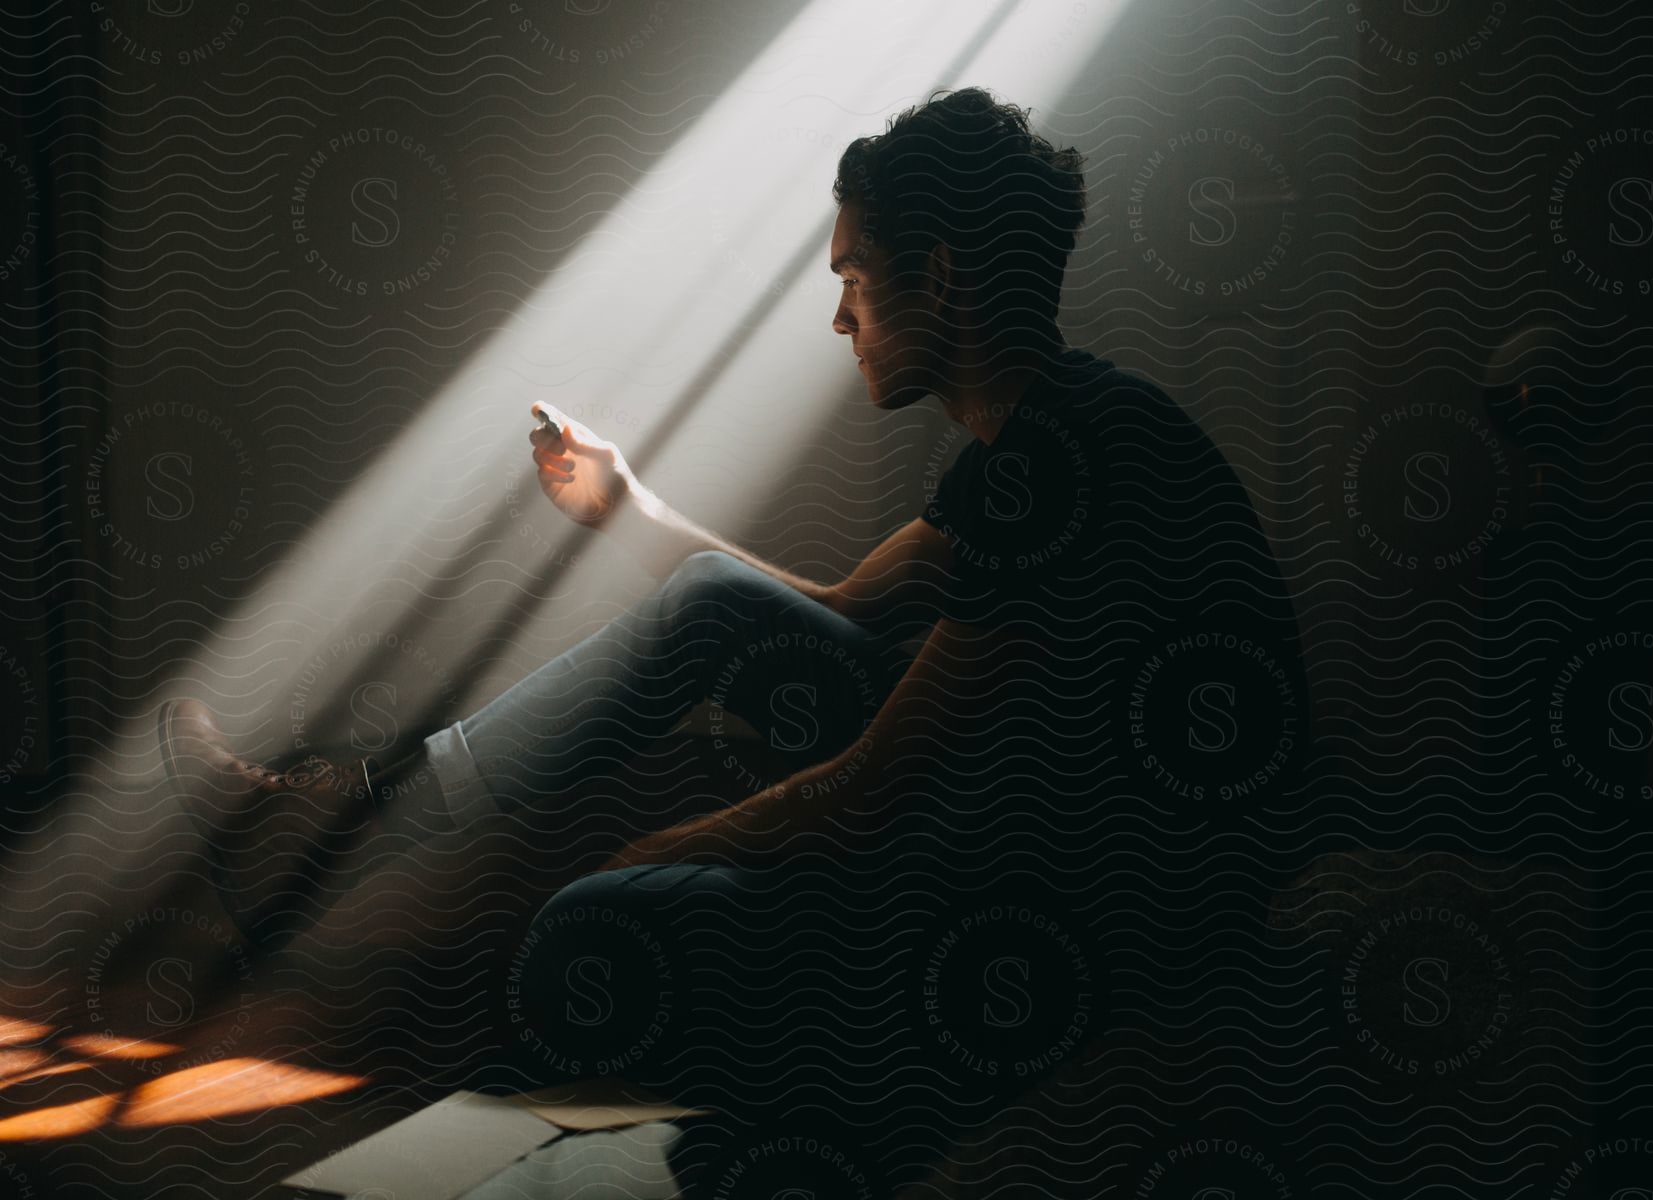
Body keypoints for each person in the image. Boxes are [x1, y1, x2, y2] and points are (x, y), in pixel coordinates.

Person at [161, 86, 1307, 1193]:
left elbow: (866, 796)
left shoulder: (1060, 467)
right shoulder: (1053, 431)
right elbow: (837, 614)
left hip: (1108, 915)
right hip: (1028, 825)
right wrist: (627, 508)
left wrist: (648, 852)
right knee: (717, 601)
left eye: (856, 274)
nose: (841, 315)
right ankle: (334, 815)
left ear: (942, 276)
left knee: (589, 930)